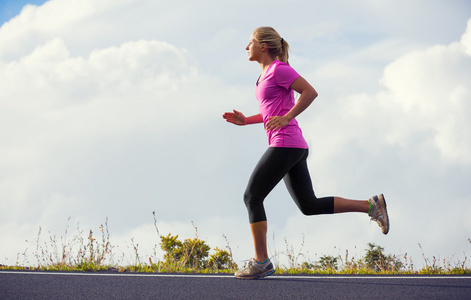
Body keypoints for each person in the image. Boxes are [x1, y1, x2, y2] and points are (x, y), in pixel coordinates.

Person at [223, 27, 389, 280]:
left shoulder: (279, 69)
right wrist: (246, 121)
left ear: (264, 46)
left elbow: (310, 92)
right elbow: (271, 112)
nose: (246, 48)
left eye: (250, 43)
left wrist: (287, 118)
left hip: (286, 144)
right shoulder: (264, 75)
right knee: (309, 205)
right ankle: (371, 205)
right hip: (293, 146)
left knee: (252, 196)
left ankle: (261, 262)